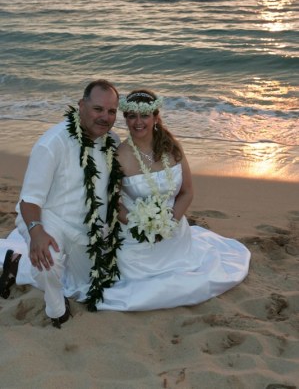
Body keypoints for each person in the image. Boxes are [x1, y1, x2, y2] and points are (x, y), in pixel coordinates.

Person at [88, 89, 251, 311]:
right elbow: (115, 204)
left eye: (144, 115)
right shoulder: (118, 156)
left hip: (174, 231)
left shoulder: (172, 148)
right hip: (135, 236)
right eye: (131, 116)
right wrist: (142, 227)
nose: (138, 122)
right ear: (125, 118)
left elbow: (187, 192)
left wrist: (169, 223)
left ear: (155, 117)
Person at [0, 79, 123, 327]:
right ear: (81, 105)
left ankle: (15, 263)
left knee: (89, 285)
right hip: (48, 217)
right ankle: (57, 310)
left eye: (111, 111)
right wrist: (36, 233)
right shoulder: (52, 143)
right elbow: (29, 201)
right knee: (47, 262)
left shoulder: (113, 142)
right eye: (98, 109)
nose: (105, 117)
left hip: (85, 226)